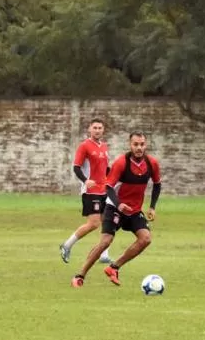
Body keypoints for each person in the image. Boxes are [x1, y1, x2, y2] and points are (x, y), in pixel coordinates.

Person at [72, 132, 161, 288]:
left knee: (145, 239)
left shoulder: (152, 163)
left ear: (145, 145)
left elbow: (157, 184)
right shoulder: (122, 163)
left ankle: (114, 267)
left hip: (133, 211)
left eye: (142, 144)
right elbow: (109, 187)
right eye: (136, 144)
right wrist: (119, 204)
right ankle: (79, 276)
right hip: (114, 207)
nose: (139, 148)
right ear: (130, 145)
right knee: (105, 242)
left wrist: (152, 207)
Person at [60, 119, 113, 265]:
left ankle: (103, 254)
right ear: (89, 129)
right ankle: (66, 245)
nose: (97, 130)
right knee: (93, 223)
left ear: (103, 130)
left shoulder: (104, 146)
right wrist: (85, 181)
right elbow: (76, 167)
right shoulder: (84, 146)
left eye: (100, 128)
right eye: (94, 127)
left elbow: (105, 169)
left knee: (106, 221)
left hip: (104, 190)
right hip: (91, 191)